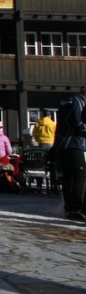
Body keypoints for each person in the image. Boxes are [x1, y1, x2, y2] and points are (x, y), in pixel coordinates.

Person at [55, 87, 86, 221]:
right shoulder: (78, 102)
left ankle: (68, 207)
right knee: (80, 174)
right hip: (75, 142)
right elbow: (79, 122)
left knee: (68, 176)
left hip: (63, 143)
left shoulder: (67, 101)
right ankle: (76, 207)